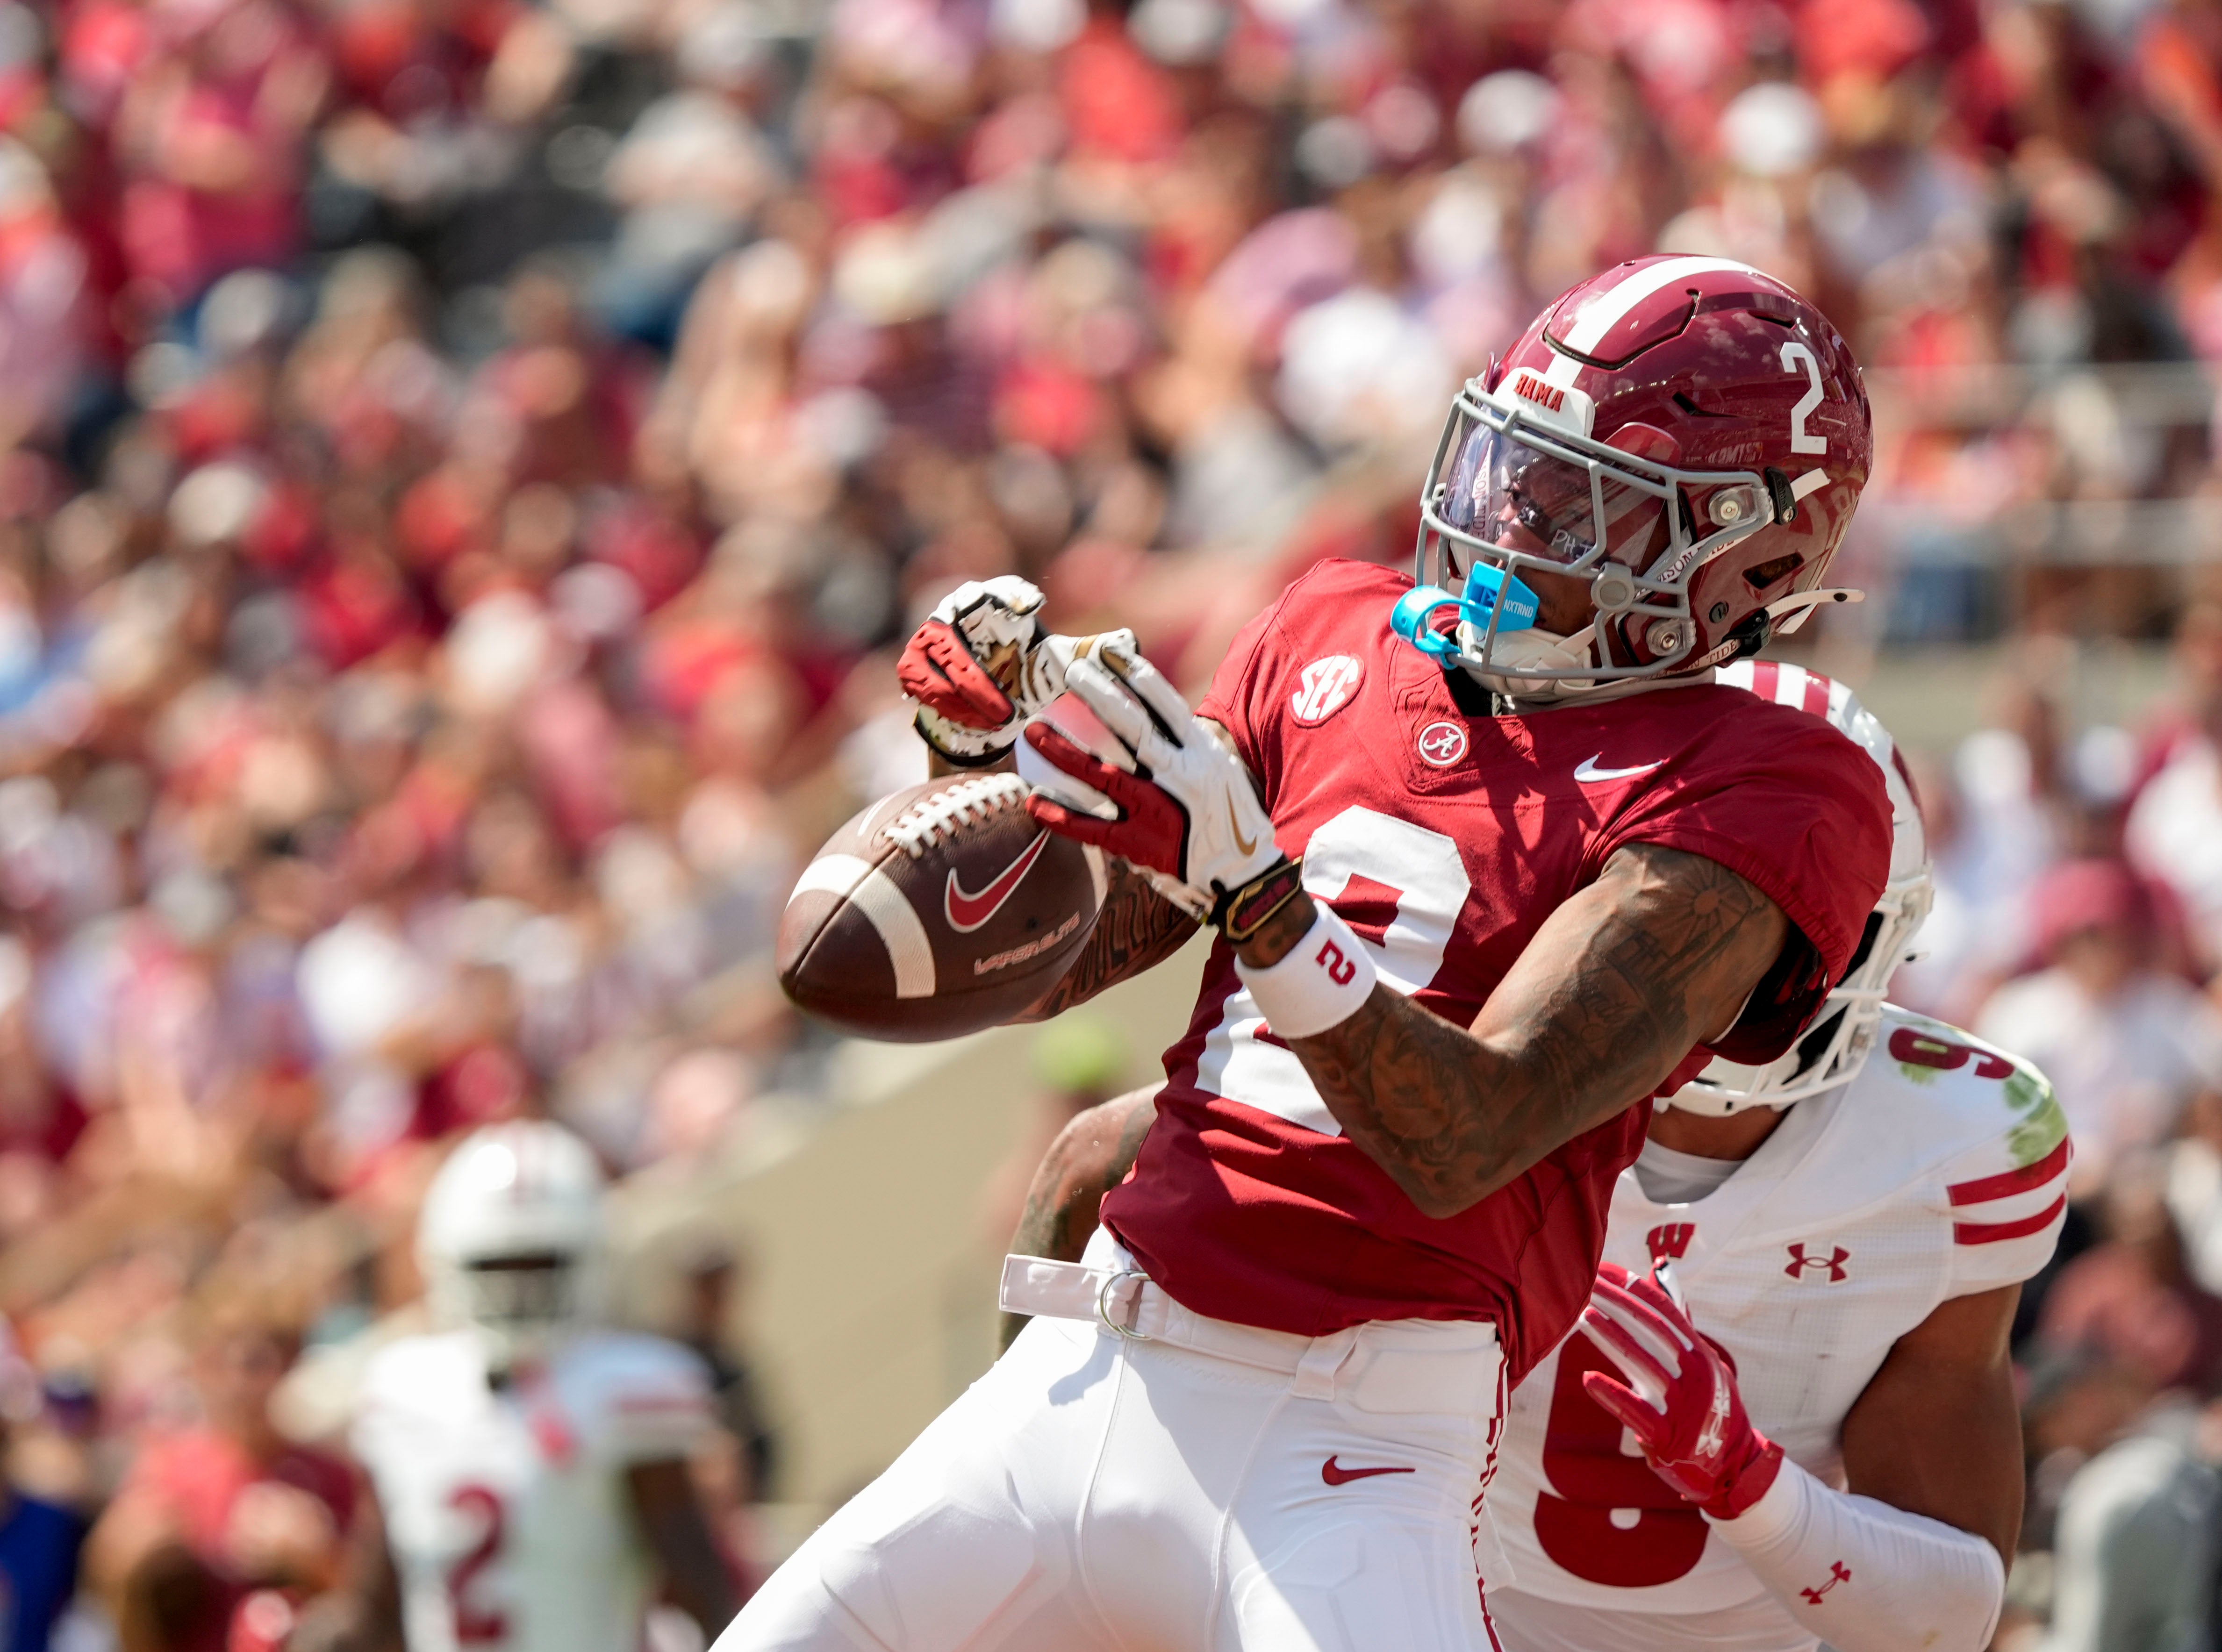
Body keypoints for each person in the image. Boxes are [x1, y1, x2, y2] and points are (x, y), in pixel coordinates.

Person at [725, 256, 1896, 1651]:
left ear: (1751, 560)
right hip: (1104, 1352)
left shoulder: (1769, 775)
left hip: (1354, 1438)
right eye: (1516, 469)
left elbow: (1474, 1129)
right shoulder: (1326, 623)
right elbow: (1076, 945)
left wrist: (1264, 898)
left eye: (1590, 498)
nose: (1516, 522)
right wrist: (990, 765)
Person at [1480, 661, 2070, 1652]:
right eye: (1664, 913)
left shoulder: (1960, 1147)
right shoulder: (1456, 1083)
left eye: (1766, 922)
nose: (1712, 975)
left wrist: (1745, 1479)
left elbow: (1946, 1618)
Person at [298, 1122, 737, 1652]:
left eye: (540, 1265)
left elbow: (696, 1579)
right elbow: (380, 1604)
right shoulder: (401, 1393)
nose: (518, 1291)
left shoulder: (620, 1389)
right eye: (497, 1267)